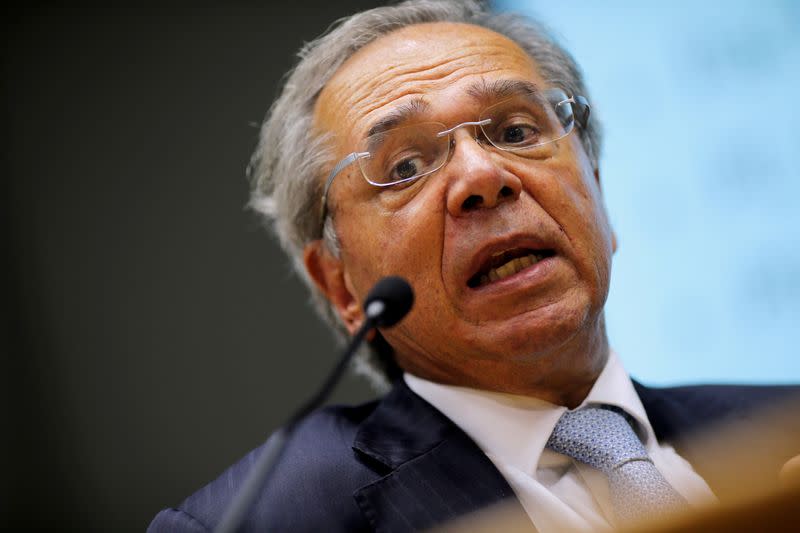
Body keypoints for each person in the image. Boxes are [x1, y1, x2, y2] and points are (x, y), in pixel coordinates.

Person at [148, 1, 799, 531]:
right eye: (404, 167)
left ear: (598, 191)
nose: (482, 177)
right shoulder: (267, 519)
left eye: (516, 131)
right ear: (339, 284)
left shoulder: (785, 431)